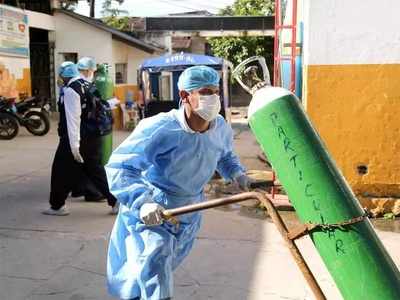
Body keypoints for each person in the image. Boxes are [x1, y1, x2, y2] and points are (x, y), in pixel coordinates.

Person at [105, 65, 251, 299]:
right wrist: (142, 202)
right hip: (155, 210)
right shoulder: (161, 128)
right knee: (156, 261)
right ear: (184, 95)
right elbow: (121, 166)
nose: (213, 98)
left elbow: (224, 155)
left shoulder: (220, 127)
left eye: (216, 92)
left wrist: (237, 174)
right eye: (205, 92)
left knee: (153, 270)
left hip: (190, 211)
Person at [42, 62, 118, 216]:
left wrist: (74, 146)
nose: (59, 77)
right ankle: (116, 201)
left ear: (64, 75)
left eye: (60, 74)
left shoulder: (71, 90)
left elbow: (73, 120)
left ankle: (57, 207)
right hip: (92, 135)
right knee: (94, 170)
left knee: (60, 170)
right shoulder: (86, 83)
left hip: (77, 137)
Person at [70, 56, 105, 202]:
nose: (93, 73)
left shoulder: (77, 85)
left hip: (85, 130)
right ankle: (102, 194)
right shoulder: (87, 86)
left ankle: (80, 189)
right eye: (91, 71)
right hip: (89, 130)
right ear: (88, 71)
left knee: (82, 162)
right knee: (92, 163)